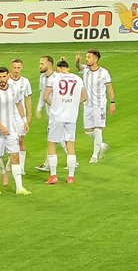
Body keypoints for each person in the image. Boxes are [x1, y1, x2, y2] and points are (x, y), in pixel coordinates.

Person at [0, 65, 31, 196]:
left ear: (7, 76)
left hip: (11, 130)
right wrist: (0, 126)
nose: (2, 79)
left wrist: (24, 121)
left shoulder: (13, 89)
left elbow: (19, 104)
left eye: (4, 76)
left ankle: (19, 187)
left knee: (15, 157)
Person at [42, 57, 87, 185]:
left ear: (60, 68)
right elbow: (85, 97)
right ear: (68, 68)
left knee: (52, 144)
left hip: (57, 117)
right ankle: (71, 177)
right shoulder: (78, 79)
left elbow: (45, 97)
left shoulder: (54, 78)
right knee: (70, 145)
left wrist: (54, 105)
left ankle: (53, 176)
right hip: (71, 116)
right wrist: (73, 105)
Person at [75, 47, 115, 163]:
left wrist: (112, 102)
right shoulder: (86, 70)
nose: (86, 59)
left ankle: (94, 156)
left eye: (89, 57)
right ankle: (101, 145)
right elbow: (78, 67)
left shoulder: (104, 73)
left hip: (99, 105)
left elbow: (110, 88)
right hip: (87, 105)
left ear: (96, 59)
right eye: (86, 57)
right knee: (88, 131)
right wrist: (77, 61)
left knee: (98, 129)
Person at [9, 58, 33, 178]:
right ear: (11, 67)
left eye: (18, 67)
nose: (16, 70)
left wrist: (29, 115)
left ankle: (21, 167)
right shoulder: (5, 80)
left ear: (22, 68)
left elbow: (28, 98)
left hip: (20, 115)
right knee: (10, 140)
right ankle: (11, 162)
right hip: (8, 115)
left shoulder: (25, 82)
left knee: (20, 140)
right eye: (14, 67)